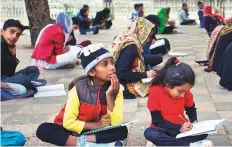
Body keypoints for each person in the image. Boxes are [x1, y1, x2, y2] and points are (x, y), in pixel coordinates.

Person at [36, 44, 128, 146]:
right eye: (105, 64)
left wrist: (110, 97)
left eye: (112, 63)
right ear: (92, 72)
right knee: (43, 129)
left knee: (122, 130)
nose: (112, 68)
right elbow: (69, 123)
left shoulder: (116, 89)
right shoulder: (78, 89)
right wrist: (96, 125)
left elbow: (115, 124)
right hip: (73, 129)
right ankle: (83, 143)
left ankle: (81, 142)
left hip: (91, 132)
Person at [144, 57, 214, 146]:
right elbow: (157, 121)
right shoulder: (155, 92)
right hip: (163, 129)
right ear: (168, 85)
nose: (183, 95)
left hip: (182, 129)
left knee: (203, 133)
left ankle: (167, 143)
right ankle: (189, 145)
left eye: (185, 91)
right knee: (150, 133)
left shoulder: (185, 92)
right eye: (180, 91)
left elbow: (191, 109)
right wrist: (179, 128)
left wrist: (195, 123)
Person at [111, 17, 162, 99]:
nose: (147, 40)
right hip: (118, 81)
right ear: (141, 32)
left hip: (116, 78)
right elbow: (121, 74)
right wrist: (145, 74)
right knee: (157, 86)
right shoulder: (130, 47)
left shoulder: (127, 39)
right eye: (147, 36)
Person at [1, 19, 42, 96]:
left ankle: (22, 85)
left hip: (7, 78)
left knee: (33, 70)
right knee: (23, 79)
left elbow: (10, 73)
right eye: (11, 32)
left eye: (18, 34)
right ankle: (22, 86)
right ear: (2, 31)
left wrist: (13, 55)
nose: (14, 37)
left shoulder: (8, 45)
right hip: (2, 81)